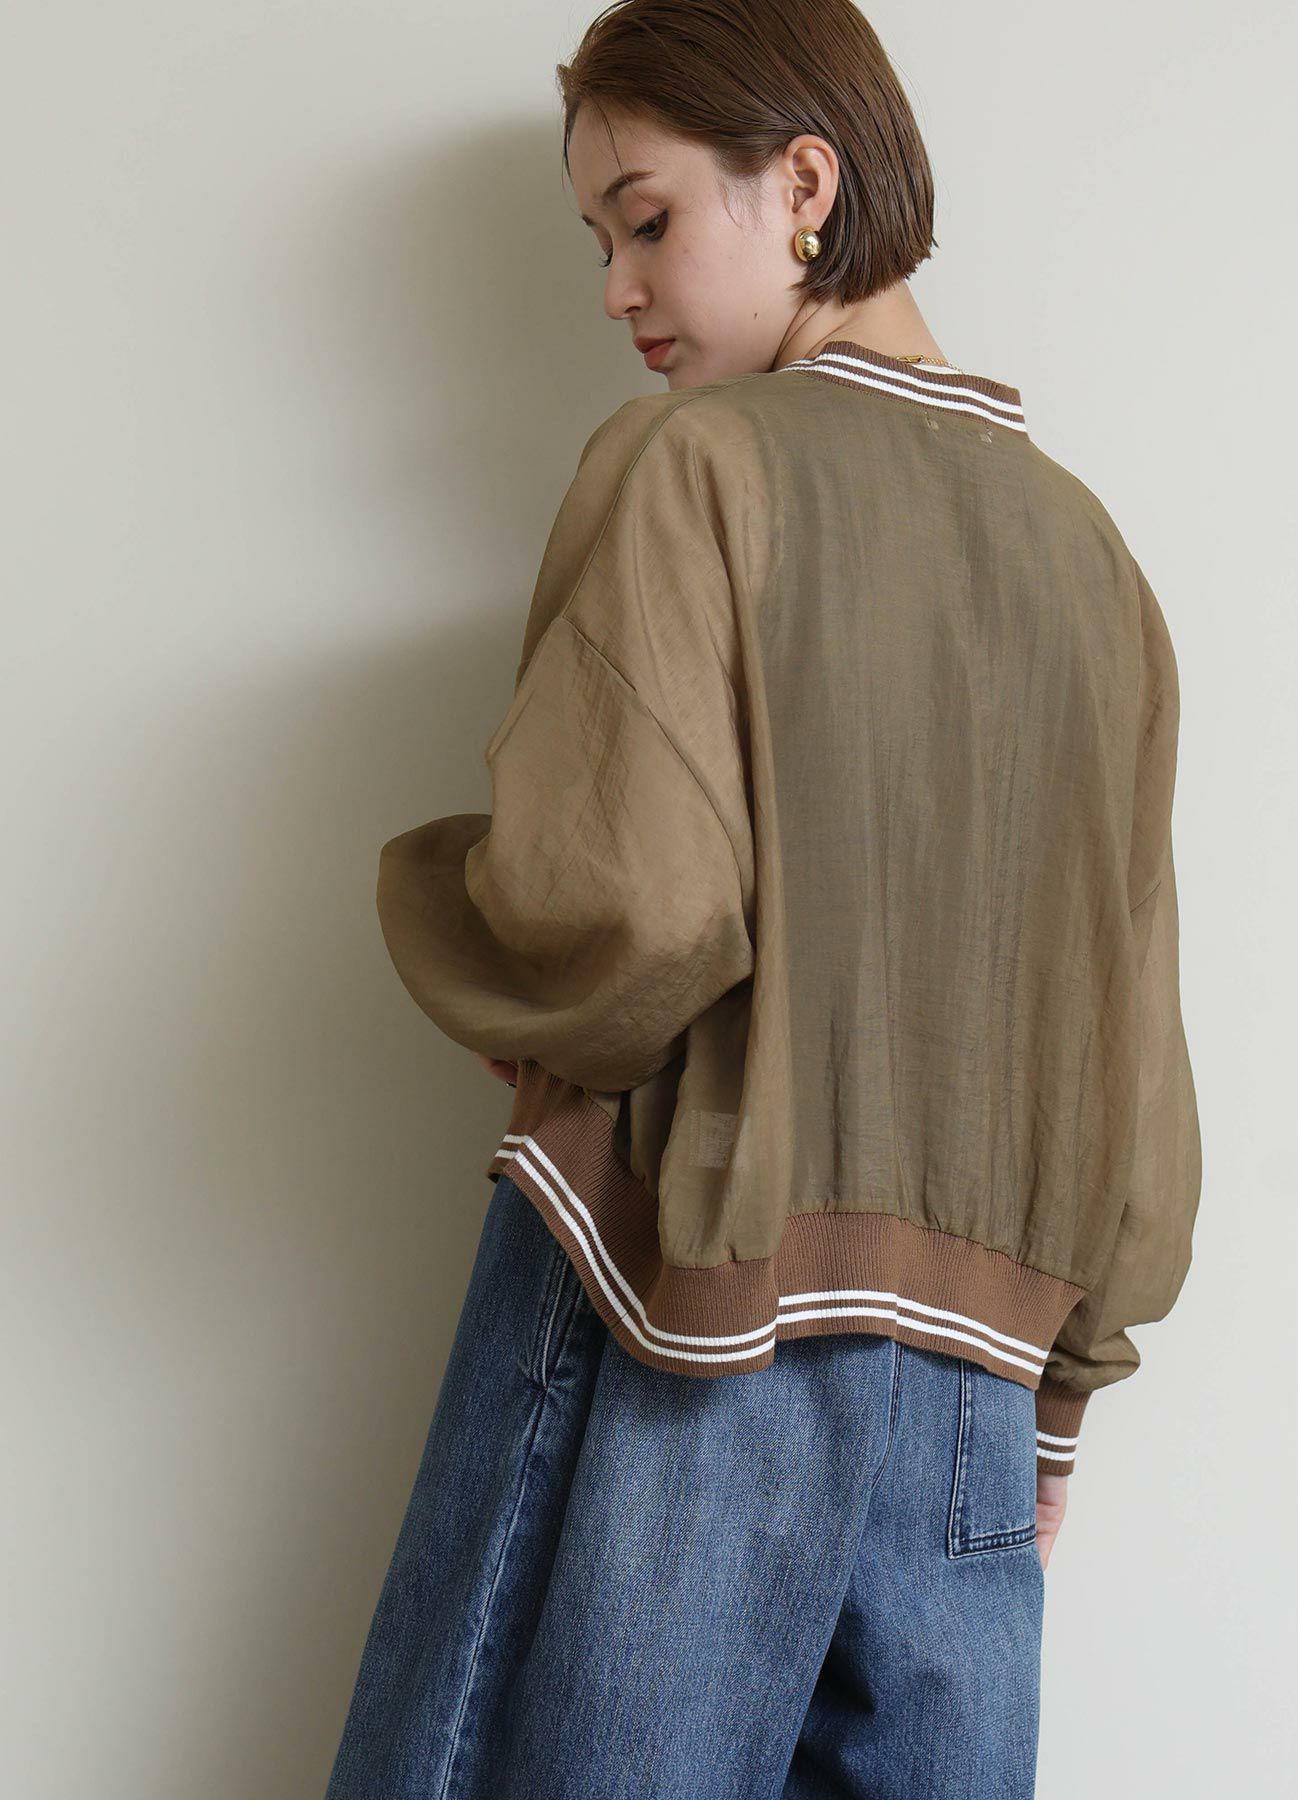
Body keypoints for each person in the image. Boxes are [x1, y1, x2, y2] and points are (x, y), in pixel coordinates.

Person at [326, 2, 1203, 1795]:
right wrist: (1061, 1391)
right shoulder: (1095, 564)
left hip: (685, 1338)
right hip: (975, 1394)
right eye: (600, 241)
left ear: (805, 183)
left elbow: (626, 916)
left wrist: (466, 931)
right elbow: (1133, 1053)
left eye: (644, 220)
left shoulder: (697, 466)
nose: (615, 290)